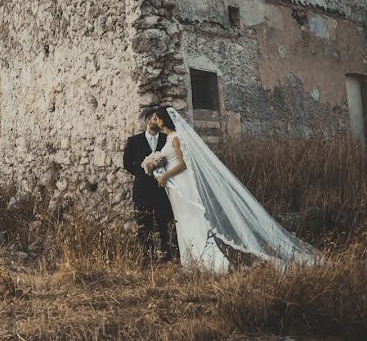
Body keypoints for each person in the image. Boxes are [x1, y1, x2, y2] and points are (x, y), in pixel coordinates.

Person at [142, 106, 321, 273]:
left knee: (193, 218)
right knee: (183, 219)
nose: (155, 121)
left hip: (183, 184)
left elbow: (184, 164)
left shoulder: (176, 137)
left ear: (164, 120)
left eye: (157, 118)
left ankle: (209, 260)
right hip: (175, 188)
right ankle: (190, 259)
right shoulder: (168, 138)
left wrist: (165, 175)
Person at [122, 106, 178, 262]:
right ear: (147, 121)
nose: (157, 121)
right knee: (143, 223)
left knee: (165, 222)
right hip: (142, 189)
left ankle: (168, 255)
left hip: (163, 189)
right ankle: (146, 258)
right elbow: (127, 163)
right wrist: (143, 174)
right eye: (154, 118)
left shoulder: (165, 139)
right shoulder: (134, 141)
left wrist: (161, 175)